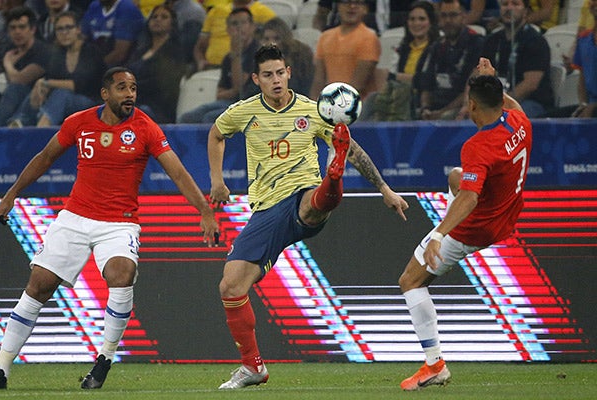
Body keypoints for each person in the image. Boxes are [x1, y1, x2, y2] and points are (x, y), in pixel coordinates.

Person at [0, 67, 218, 390]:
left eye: (133, 88)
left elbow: (179, 173)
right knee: (40, 285)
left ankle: (104, 358)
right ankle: (2, 366)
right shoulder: (79, 123)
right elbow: (44, 158)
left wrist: (205, 212)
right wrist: (10, 196)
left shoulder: (145, 128)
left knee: (121, 274)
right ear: (105, 94)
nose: (129, 94)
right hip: (74, 217)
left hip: (118, 222)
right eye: (121, 88)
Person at [208, 43, 409, 390]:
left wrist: (385, 189)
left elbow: (359, 151)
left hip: (302, 194)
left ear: (288, 73)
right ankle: (252, 367)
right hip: (266, 210)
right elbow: (216, 134)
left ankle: (334, 173)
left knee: (314, 204)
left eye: (280, 73)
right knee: (230, 286)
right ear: (256, 79)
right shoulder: (243, 112)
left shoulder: (313, 110)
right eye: (267, 75)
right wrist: (217, 181)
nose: (276, 80)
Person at [398, 57, 532, 391]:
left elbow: (470, 199)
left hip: (475, 227)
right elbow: (509, 105)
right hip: (507, 212)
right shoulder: (519, 121)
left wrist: (439, 235)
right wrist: (493, 78)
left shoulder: (478, 146)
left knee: (410, 281)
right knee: (456, 177)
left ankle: (434, 365)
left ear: (471, 105)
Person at [8, 11, 106, 127]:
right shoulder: (57, 54)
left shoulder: (91, 52)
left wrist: (45, 83)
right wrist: (40, 89)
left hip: (92, 102)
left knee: (61, 93)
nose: (64, 33)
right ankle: (16, 124)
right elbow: (52, 78)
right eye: (59, 29)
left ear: (78, 29)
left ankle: (42, 129)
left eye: (68, 27)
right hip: (62, 102)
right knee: (32, 90)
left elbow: (79, 85)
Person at [179, 7, 260, 123]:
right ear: (228, 30)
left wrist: (236, 54)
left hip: (249, 104)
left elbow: (240, 87)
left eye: (243, 23)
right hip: (229, 102)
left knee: (211, 118)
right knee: (187, 117)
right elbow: (219, 94)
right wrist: (233, 91)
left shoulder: (258, 52)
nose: (239, 27)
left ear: (253, 27)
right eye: (234, 24)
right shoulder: (228, 58)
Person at [363, 0, 440, 121]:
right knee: (373, 97)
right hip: (400, 93)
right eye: (412, 19)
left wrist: (397, 77)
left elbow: (428, 80)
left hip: (421, 98)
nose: (416, 23)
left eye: (421, 19)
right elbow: (391, 77)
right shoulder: (402, 47)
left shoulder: (438, 47)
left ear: (431, 22)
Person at [480, 0, 553, 118]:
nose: (509, 8)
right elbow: (477, 75)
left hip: (529, 102)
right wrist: (468, 104)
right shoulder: (492, 40)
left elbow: (530, 85)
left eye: (515, 4)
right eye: (504, 4)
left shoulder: (536, 41)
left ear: (525, 11)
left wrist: (499, 106)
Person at [414, 0, 484, 120]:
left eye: (453, 15)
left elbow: (470, 89)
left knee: (447, 117)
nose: (448, 20)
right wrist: (425, 108)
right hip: (436, 106)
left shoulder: (477, 43)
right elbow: (426, 85)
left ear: (463, 16)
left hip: (461, 107)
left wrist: (442, 112)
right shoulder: (435, 47)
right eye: (444, 16)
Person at [310, 0, 380, 100]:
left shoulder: (369, 38)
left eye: (358, 3)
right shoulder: (325, 37)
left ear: (365, 9)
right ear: (338, 6)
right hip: (328, 103)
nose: (352, 6)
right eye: (346, 2)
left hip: (357, 105)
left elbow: (358, 85)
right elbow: (318, 81)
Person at [126, 4, 185, 123]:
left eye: (164, 17)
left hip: (157, 107)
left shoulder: (175, 52)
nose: (158, 19)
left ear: (172, 24)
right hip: (133, 98)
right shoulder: (140, 50)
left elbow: (163, 84)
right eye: (154, 17)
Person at [0, 6, 50, 126]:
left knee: (15, 88)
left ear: (32, 29)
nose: (17, 32)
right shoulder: (11, 48)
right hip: (11, 100)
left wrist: (8, 63)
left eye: (22, 27)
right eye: (13, 28)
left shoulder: (42, 51)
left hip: (35, 100)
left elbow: (20, 80)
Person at [192, 0, 275, 72]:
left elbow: (276, 44)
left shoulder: (264, 13)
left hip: (247, 70)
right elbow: (199, 47)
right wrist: (200, 61)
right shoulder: (216, 11)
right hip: (211, 68)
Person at [81, 0, 144, 66]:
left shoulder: (127, 8)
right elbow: (81, 37)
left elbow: (119, 54)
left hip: (119, 67)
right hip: (94, 58)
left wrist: (95, 68)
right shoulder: (94, 5)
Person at [261, 17, 314, 95]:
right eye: (266, 39)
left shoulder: (301, 57)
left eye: (276, 38)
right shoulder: (259, 59)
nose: (271, 43)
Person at [570, 0, 597, 118]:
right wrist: (584, 104)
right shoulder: (583, 38)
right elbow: (582, 79)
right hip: (590, 105)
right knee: (545, 119)